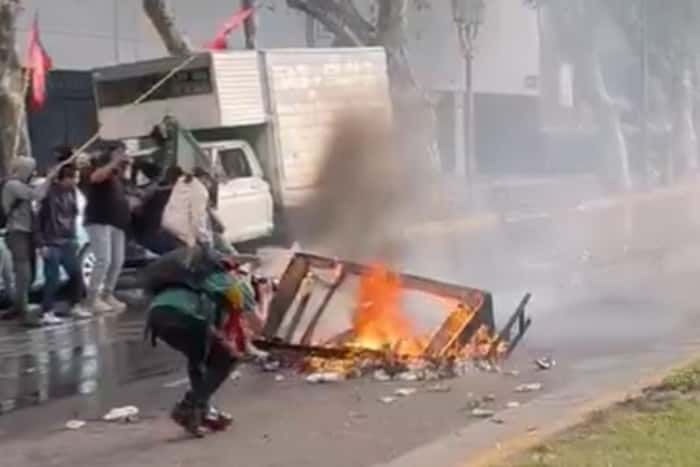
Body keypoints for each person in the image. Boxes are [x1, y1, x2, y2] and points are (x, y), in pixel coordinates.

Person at [145, 253, 265, 437]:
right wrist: (265, 295)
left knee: (199, 359)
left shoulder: (198, 277)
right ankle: (189, 407)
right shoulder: (232, 283)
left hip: (157, 316)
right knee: (228, 358)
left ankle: (202, 412)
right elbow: (260, 325)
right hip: (184, 316)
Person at [2, 156, 58, 326]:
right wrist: (49, 178)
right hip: (17, 232)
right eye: (29, 169)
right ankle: (23, 313)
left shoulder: (19, 184)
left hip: (26, 232)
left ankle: (19, 306)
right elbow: (37, 194)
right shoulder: (12, 185)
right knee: (24, 273)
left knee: (29, 274)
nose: (32, 172)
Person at [38, 162, 91, 320]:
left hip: (67, 239)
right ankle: (47, 311)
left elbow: (73, 215)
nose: (75, 181)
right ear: (64, 178)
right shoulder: (49, 193)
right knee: (52, 278)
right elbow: (38, 217)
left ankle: (74, 305)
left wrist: (74, 237)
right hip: (51, 240)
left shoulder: (72, 192)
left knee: (76, 274)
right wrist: (41, 243)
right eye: (73, 178)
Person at [82, 141, 131, 314]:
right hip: (99, 220)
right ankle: (92, 298)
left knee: (118, 260)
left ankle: (107, 293)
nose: (124, 155)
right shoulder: (98, 169)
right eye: (120, 152)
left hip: (116, 222)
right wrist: (114, 162)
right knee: (104, 259)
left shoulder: (117, 174)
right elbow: (96, 177)